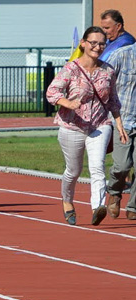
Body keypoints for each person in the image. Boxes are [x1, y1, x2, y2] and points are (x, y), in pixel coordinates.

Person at [46, 26, 127, 226]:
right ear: (83, 43)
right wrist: (68, 103)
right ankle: (67, 202)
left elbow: (113, 101)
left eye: (102, 43)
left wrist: (119, 124)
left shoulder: (108, 71)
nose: (98, 47)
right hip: (72, 126)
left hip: (100, 125)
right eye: (93, 43)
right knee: (73, 171)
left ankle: (97, 207)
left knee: (98, 167)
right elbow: (52, 92)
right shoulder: (71, 69)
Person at [106, 26, 136, 220]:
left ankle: (133, 206)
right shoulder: (121, 55)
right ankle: (115, 193)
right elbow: (103, 80)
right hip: (123, 120)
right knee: (122, 165)